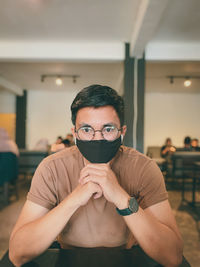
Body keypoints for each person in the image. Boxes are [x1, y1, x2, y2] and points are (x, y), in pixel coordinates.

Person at [9, 85, 183, 267]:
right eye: (86, 130)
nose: (97, 138)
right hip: (68, 258)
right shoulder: (52, 167)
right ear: (74, 133)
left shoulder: (144, 168)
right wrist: (74, 199)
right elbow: (18, 253)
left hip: (126, 257)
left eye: (108, 129)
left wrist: (121, 198)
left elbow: (172, 256)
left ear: (122, 132)